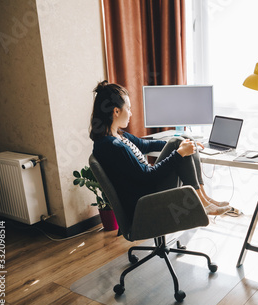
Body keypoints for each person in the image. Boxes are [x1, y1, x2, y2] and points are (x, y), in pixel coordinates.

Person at [89, 80, 230, 219]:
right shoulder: (112, 146)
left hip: (149, 189)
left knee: (183, 139)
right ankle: (201, 201)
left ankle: (203, 198)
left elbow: (146, 145)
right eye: (129, 108)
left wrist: (185, 144)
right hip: (147, 200)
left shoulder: (118, 136)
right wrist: (179, 153)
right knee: (179, 145)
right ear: (116, 111)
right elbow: (148, 177)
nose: (131, 113)